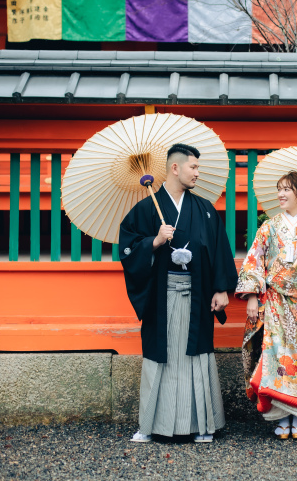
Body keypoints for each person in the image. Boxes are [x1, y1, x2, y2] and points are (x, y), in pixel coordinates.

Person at [119, 143, 238, 444]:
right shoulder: (146, 208)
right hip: (162, 296)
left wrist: (221, 288)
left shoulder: (205, 210)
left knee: (195, 357)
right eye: (193, 167)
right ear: (175, 168)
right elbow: (127, 249)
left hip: (197, 295)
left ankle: (203, 425)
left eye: (198, 167)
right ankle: (149, 425)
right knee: (162, 357)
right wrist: (155, 242)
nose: (198, 172)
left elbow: (220, 250)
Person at [235, 171, 297, 439]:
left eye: (286, 190)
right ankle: (281, 416)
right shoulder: (269, 226)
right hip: (277, 301)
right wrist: (253, 297)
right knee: (277, 355)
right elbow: (254, 260)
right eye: (278, 189)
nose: (280, 194)